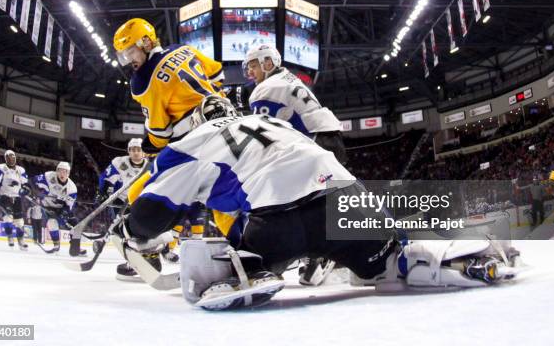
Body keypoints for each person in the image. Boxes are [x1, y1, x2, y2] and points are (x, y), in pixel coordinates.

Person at [113, 96, 516, 310]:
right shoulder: (276, 123)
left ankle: (251, 266)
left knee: (220, 263)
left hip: (280, 220)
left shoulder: (192, 142)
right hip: (350, 200)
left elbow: (152, 214)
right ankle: (458, 257)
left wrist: (130, 232)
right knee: (389, 262)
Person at [243, 43, 346, 285]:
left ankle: (290, 256)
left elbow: (264, 136)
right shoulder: (288, 78)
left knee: (279, 200)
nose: (250, 72)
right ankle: (317, 256)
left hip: (317, 144)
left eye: (254, 66)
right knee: (312, 205)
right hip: (328, 140)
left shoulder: (264, 89)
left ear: (269, 63)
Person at [113, 18, 225, 152]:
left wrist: (153, 144)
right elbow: (217, 74)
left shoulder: (142, 80)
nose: (129, 60)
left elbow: (161, 133)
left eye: (130, 52)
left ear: (146, 42)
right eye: (124, 55)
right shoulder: (182, 48)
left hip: (196, 137)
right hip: (225, 111)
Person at [96, 138, 158, 280]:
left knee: (146, 231)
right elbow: (106, 178)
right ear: (129, 151)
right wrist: (102, 192)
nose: (136, 152)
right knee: (125, 232)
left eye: (139, 149)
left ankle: (151, 260)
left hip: (142, 201)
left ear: (144, 152)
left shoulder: (151, 165)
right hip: (122, 200)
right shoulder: (120, 163)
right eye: (133, 149)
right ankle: (132, 262)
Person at [33, 162, 82, 254]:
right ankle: (56, 245)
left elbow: (69, 206)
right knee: (52, 222)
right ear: (57, 171)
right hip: (47, 205)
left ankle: (76, 247)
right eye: (60, 171)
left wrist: (64, 213)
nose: (62, 174)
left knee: (76, 225)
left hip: (62, 208)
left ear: (68, 173)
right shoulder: (48, 176)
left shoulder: (72, 188)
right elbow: (33, 180)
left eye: (65, 171)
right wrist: (29, 188)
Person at [0, 150, 29, 250]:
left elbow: (25, 184)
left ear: (15, 158)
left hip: (17, 197)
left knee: (20, 222)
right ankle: (10, 236)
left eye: (12, 157)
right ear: (5, 159)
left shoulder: (21, 170)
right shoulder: (0, 168)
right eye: (8, 158)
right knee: (8, 217)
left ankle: (20, 240)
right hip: (5, 196)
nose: (11, 159)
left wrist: (25, 190)